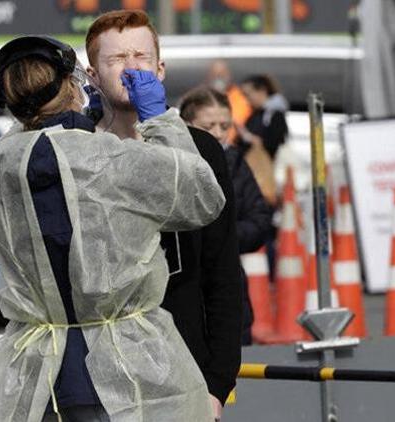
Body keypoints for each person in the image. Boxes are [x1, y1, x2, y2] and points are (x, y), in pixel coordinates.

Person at [0, 35, 224, 421]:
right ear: (74, 86)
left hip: (35, 379)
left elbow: (21, 150)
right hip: (130, 374)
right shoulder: (113, 158)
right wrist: (160, 119)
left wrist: (42, 118)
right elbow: (202, 196)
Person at [85, 10, 242, 420]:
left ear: (161, 69)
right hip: (97, 375)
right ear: (92, 75)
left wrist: (217, 385)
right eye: (117, 59)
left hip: (183, 366)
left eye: (141, 56)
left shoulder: (201, 150)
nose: (131, 68)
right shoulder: (75, 150)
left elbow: (222, 273)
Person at [180, 86, 274, 345]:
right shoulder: (172, 164)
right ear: (185, 125)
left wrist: (221, 239)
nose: (218, 134)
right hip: (182, 291)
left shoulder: (234, 162)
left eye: (225, 126)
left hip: (228, 287)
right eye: (209, 126)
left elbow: (259, 220)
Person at [238, 74, 289, 159]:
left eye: (248, 94)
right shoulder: (256, 114)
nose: (246, 100)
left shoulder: (275, 115)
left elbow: (274, 142)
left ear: (262, 91)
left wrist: (247, 136)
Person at [206, 59, 252, 143]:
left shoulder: (240, 97)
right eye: (215, 74)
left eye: (222, 73)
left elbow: (238, 120)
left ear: (229, 75)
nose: (218, 77)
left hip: (233, 147)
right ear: (209, 76)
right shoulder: (202, 96)